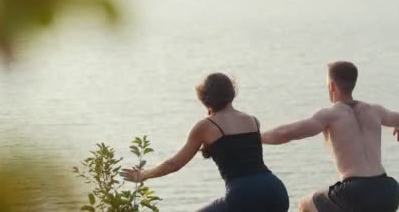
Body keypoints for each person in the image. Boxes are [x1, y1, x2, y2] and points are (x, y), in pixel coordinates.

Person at [121, 73, 289, 212]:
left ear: (205, 98)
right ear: (231, 93)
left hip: (243, 195)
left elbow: (174, 164)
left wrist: (144, 175)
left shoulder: (206, 126)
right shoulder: (252, 121)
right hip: (275, 190)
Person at [262, 61, 399, 212]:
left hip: (355, 191)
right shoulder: (375, 111)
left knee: (305, 204)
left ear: (332, 86)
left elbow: (287, 133)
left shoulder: (330, 115)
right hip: (388, 190)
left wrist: (257, 138)